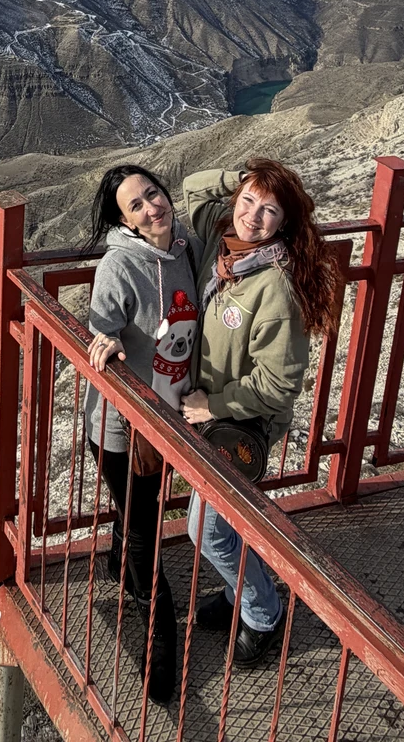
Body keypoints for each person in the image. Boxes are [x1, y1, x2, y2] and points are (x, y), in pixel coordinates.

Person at [179, 159, 337, 666]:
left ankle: (263, 612)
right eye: (247, 203)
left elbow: (279, 383)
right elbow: (190, 188)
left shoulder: (274, 287)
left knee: (205, 528)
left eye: (268, 210)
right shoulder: (224, 242)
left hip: (240, 421)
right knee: (225, 519)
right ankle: (236, 596)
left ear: (283, 223)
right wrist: (240, 178)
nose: (252, 216)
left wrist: (214, 405)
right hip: (210, 415)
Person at [85, 164, 202, 705]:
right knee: (144, 528)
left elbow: (215, 188)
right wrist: (105, 340)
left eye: (153, 193)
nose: (151, 207)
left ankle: (117, 565)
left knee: (135, 509)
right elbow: (99, 325)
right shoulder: (119, 265)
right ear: (125, 223)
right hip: (121, 427)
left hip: (167, 417)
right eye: (136, 205)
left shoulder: (189, 248)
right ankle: (161, 636)